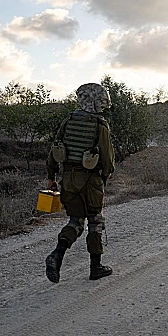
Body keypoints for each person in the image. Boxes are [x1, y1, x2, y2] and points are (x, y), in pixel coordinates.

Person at [45, 83, 116, 283]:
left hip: (68, 179)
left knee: (75, 221)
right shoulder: (100, 125)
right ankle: (96, 267)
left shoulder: (68, 121)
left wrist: (52, 177)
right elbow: (108, 159)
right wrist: (106, 175)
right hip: (91, 181)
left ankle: (57, 255)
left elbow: (54, 150)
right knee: (95, 221)